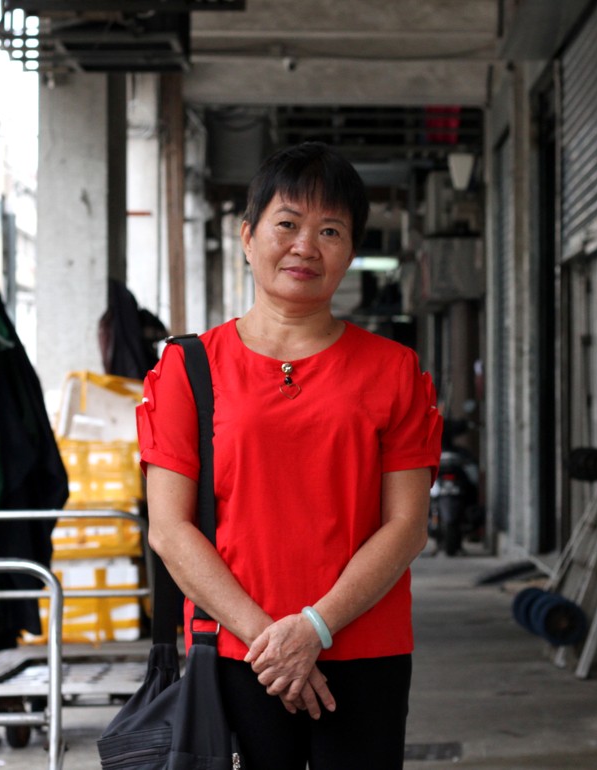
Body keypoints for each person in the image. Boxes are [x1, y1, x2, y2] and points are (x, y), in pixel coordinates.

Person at [136, 141, 441, 769]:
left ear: (350, 252)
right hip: (233, 651)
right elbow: (168, 527)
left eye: (330, 230)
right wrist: (271, 641)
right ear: (248, 237)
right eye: (287, 224)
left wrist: (315, 629)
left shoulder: (395, 371)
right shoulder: (188, 368)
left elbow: (407, 526)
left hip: (363, 650)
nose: (306, 246)